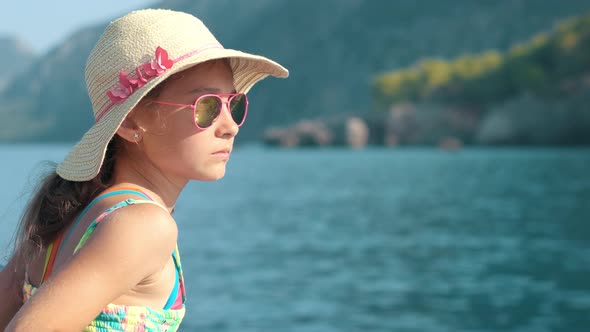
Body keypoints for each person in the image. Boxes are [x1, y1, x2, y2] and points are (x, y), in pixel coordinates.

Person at [0, 8, 288, 331]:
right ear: (131, 121)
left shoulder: (67, 213)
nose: (230, 127)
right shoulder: (145, 226)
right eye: (207, 106)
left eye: (234, 105)